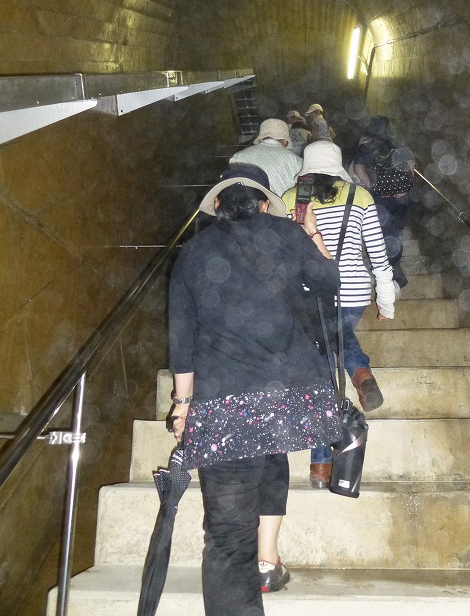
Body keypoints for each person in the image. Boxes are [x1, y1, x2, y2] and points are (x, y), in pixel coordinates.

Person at [168, 163, 341, 616]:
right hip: (284, 398)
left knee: (227, 536)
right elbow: (330, 282)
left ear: (218, 205)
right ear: (265, 204)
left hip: (223, 402)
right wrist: (311, 232)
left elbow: (181, 339)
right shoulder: (289, 235)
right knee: (270, 454)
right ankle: (267, 557)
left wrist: (182, 403)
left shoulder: (194, 251)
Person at [282, 141, 395, 489]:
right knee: (337, 337)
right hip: (353, 290)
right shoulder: (360, 196)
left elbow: (283, 252)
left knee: (320, 374)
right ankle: (359, 371)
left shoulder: (292, 198)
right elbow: (377, 252)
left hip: (310, 292)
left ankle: (321, 465)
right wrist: (386, 299)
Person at [352, 115, 415, 291]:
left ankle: (388, 270)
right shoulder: (398, 143)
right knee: (396, 232)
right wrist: (406, 185)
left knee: (382, 233)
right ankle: (394, 267)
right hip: (401, 197)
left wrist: (371, 185)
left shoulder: (367, 145)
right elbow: (411, 164)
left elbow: (358, 167)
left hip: (381, 197)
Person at [229, 118, 302, 195]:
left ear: (260, 139)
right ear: (285, 141)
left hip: (244, 202)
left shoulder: (238, 157)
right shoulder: (295, 160)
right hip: (282, 202)